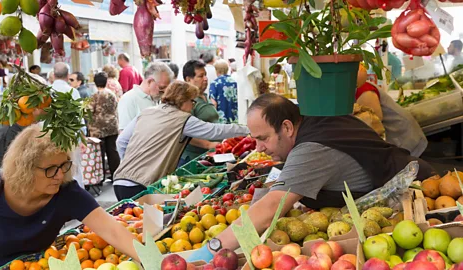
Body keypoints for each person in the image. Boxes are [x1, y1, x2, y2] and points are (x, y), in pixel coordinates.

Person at [188, 94, 435, 262]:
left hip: (421, 198)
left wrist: (211, 250)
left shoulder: (311, 149)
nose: (259, 148)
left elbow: (273, 207)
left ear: (286, 127)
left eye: (263, 138)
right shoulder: (316, 119)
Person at [0, 125, 140, 269]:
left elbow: (111, 230)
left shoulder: (67, 192)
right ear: (25, 169)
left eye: (64, 165)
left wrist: (151, 260)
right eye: (50, 169)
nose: (59, 175)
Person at [113, 81, 249, 200]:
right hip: (142, 186)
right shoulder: (182, 119)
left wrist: (129, 165)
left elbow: (121, 142)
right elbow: (215, 131)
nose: (193, 106)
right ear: (183, 100)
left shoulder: (147, 112)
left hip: (120, 181)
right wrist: (248, 130)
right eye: (192, 101)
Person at [355, 66, 427, 157]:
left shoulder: (363, 90)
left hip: (404, 138)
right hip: (398, 139)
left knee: (413, 168)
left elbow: (373, 122)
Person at [51, 62, 85, 188]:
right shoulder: (73, 92)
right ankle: (78, 196)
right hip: (71, 137)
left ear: (53, 75)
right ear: (68, 75)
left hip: (50, 136)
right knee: (74, 167)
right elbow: (78, 116)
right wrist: (82, 136)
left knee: (53, 167)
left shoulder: (47, 91)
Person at [181, 60, 219, 166]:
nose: (205, 79)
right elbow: (184, 132)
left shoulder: (204, 96)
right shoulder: (187, 101)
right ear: (189, 79)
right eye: (201, 76)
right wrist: (208, 144)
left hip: (209, 156)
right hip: (193, 159)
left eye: (205, 75)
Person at [117, 62, 173, 131]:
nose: (164, 91)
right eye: (161, 87)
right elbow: (124, 135)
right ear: (149, 82)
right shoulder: (129, 99)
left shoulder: (156, 97)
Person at [88, 72, 120, 181]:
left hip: (98, 128)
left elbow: (89, 111)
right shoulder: (112, 94)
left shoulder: (94, 96)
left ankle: (100, 177)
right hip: (112, 125)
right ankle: (115, 174)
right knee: (112, 151)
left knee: (99, 153)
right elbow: (115, 107)